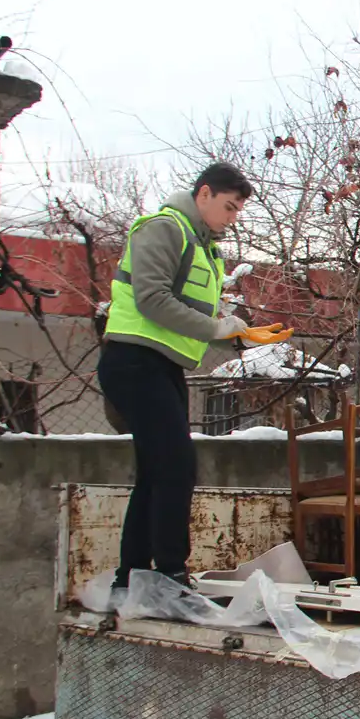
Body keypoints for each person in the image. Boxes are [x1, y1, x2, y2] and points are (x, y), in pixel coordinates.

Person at [98, 162, 289, 592]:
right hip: (133, 360)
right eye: (229, 206)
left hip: (162, 365)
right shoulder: (165, 229)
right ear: (203, 194)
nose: (233, 217)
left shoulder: (206, 250)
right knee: (176, 468)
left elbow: (191, 316)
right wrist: (217, 328)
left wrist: (237, 334)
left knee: (156, 471)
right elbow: (151, 298)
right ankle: (170, 575)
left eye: (238, 210)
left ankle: (130, 578)